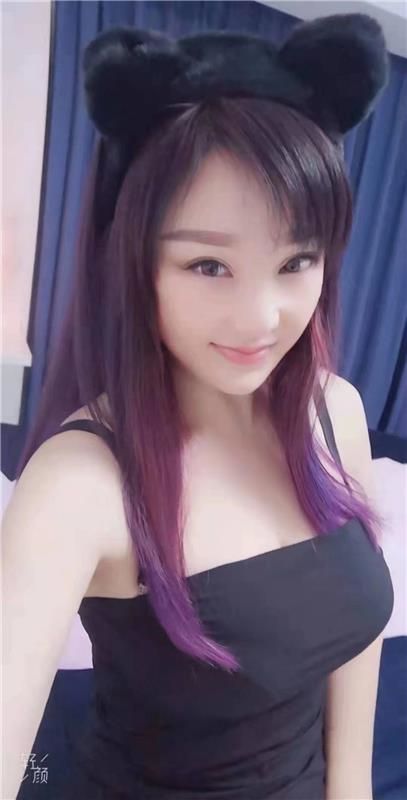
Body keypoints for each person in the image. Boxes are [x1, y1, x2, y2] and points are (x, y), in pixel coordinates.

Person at [2, 14, 394, 800]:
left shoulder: (334, 411)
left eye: (296, 260)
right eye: (208, 264)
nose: (260, 318)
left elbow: (355, 637)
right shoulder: (80, 484)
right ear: (133, 262)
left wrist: (349, 788)